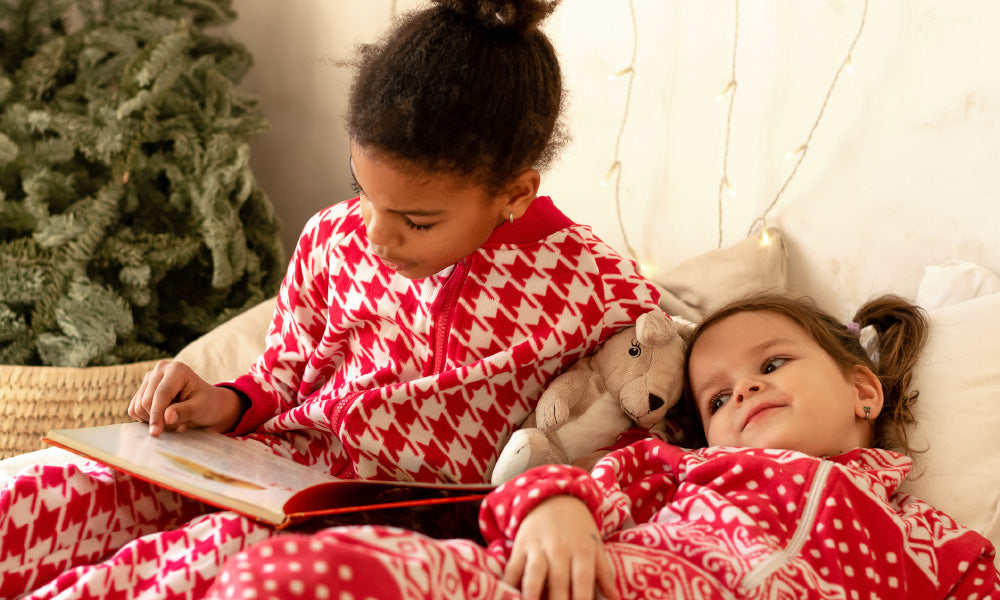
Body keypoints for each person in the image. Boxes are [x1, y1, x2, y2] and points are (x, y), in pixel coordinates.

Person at [0, 1, 664, 598]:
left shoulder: (597, 288)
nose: (376, 233)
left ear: (515, 194)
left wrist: (564, 501)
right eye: (364, 192)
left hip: (392, 522)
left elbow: (642, 427)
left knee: (183, 566)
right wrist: (220, 401)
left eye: (416, 220)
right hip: (273, 465)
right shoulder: (332, 238)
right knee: (40, 491)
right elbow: (279, 378)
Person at [203, 292, 1000, 600]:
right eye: (718, 397)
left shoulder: (929, 542)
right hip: (597, 585)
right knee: (299, 570)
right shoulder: (685, 469)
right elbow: (564, 483)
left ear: (864, 391)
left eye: (772, 364)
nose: (745, 391)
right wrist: (555, 511)